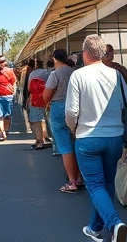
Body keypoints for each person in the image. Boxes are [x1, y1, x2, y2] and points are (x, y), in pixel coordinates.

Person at [66, 34, 127, 242]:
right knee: (106, 183)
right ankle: (95, 228)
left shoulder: (78, 76)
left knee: (95, 185)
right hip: (114, 136)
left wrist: (74, 128)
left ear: (85, 53)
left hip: (87, 137)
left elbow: (71, 111)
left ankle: (114, 224)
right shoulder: (116, 75)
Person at [44, 49, 82, 189]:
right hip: (76, 107)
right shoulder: (75, 72)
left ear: (54, 58)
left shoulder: (55, 74)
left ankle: (71, 181)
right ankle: (79, 177)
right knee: (76, 143)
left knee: (65, 146)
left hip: (59, 108)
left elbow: (46, 96)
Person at [0, 55, 17, 141]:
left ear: (5, 62)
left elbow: (14, 81)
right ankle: (2, 132)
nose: (1, 64)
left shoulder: (9, 71)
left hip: (8, 96)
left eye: (3, 62)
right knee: (0, 116)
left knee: (7, 116)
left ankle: (6, 131)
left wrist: (14, 93)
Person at [26, 58, 51, 150]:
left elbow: (29, 88)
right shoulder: (47, 73)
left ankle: (39, 139)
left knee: (36, 121)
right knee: (45, 119)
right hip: (46, 98)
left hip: (35, 99)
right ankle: (47, 137)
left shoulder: (33, 74)